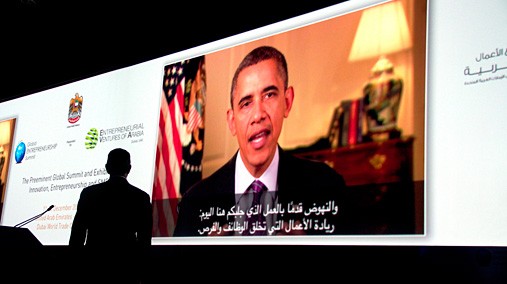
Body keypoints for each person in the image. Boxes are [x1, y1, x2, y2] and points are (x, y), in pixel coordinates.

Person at [174, 45, 351, 237]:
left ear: (287, 102)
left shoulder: (327, 187)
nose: (258, 114)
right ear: (232, 122)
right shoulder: (194, 202)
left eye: (269, 95)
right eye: (246, 103)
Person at [69, 148, 152, 283]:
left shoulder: (89, 193)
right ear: (129, 169)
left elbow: (77, 233)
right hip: (126, 269)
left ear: (107, 168)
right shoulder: (140, 197)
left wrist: (73, 267)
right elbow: (144, 239)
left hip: (93, 266)